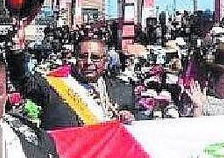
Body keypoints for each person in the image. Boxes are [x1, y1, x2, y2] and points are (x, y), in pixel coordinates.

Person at [8, 28, 137, 129]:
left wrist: (130, 117)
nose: (88, 62)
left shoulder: (123, 90)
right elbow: (22, 81)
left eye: (95, 57)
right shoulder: (52, 86)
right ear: (75, 58)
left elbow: (139, 124)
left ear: (106, 61)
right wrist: (17, 50)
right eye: (83, 56)